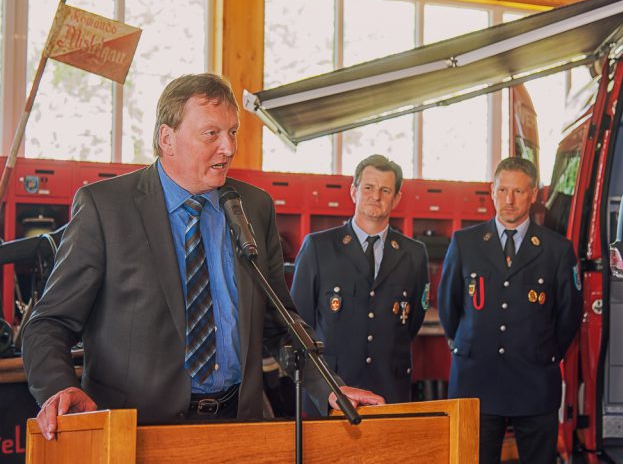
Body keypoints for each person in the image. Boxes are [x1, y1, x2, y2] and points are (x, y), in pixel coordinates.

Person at [22, 73, 383, 440]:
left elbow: (278, 322)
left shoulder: (254, 206)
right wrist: (59, 387)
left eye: (232, 132)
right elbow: (49, 323)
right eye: (211, 134)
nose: (228, 147)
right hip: (136, 430)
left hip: (238, 424)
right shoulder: (106, 208)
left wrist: (329, 388)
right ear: (167, 139)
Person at [438, 157, 582, 464]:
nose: (509, 200)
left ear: (534, 194)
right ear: (492, 191)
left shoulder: (557, 249)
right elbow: (449, 307)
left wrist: (544, 351)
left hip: (534, 378)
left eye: (518, 191)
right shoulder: (465, 243)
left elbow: (568, 315)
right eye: (502, 190)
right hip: (476, 378)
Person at [291, 155, 429, 409]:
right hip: (334, 388)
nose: (376, 196)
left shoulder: (414, 253)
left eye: (385, 190)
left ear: (396, 198)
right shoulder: (319, 247)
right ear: (354, 191)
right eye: (368, 187)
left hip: (389, 388)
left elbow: (411, 321)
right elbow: (299, 321)